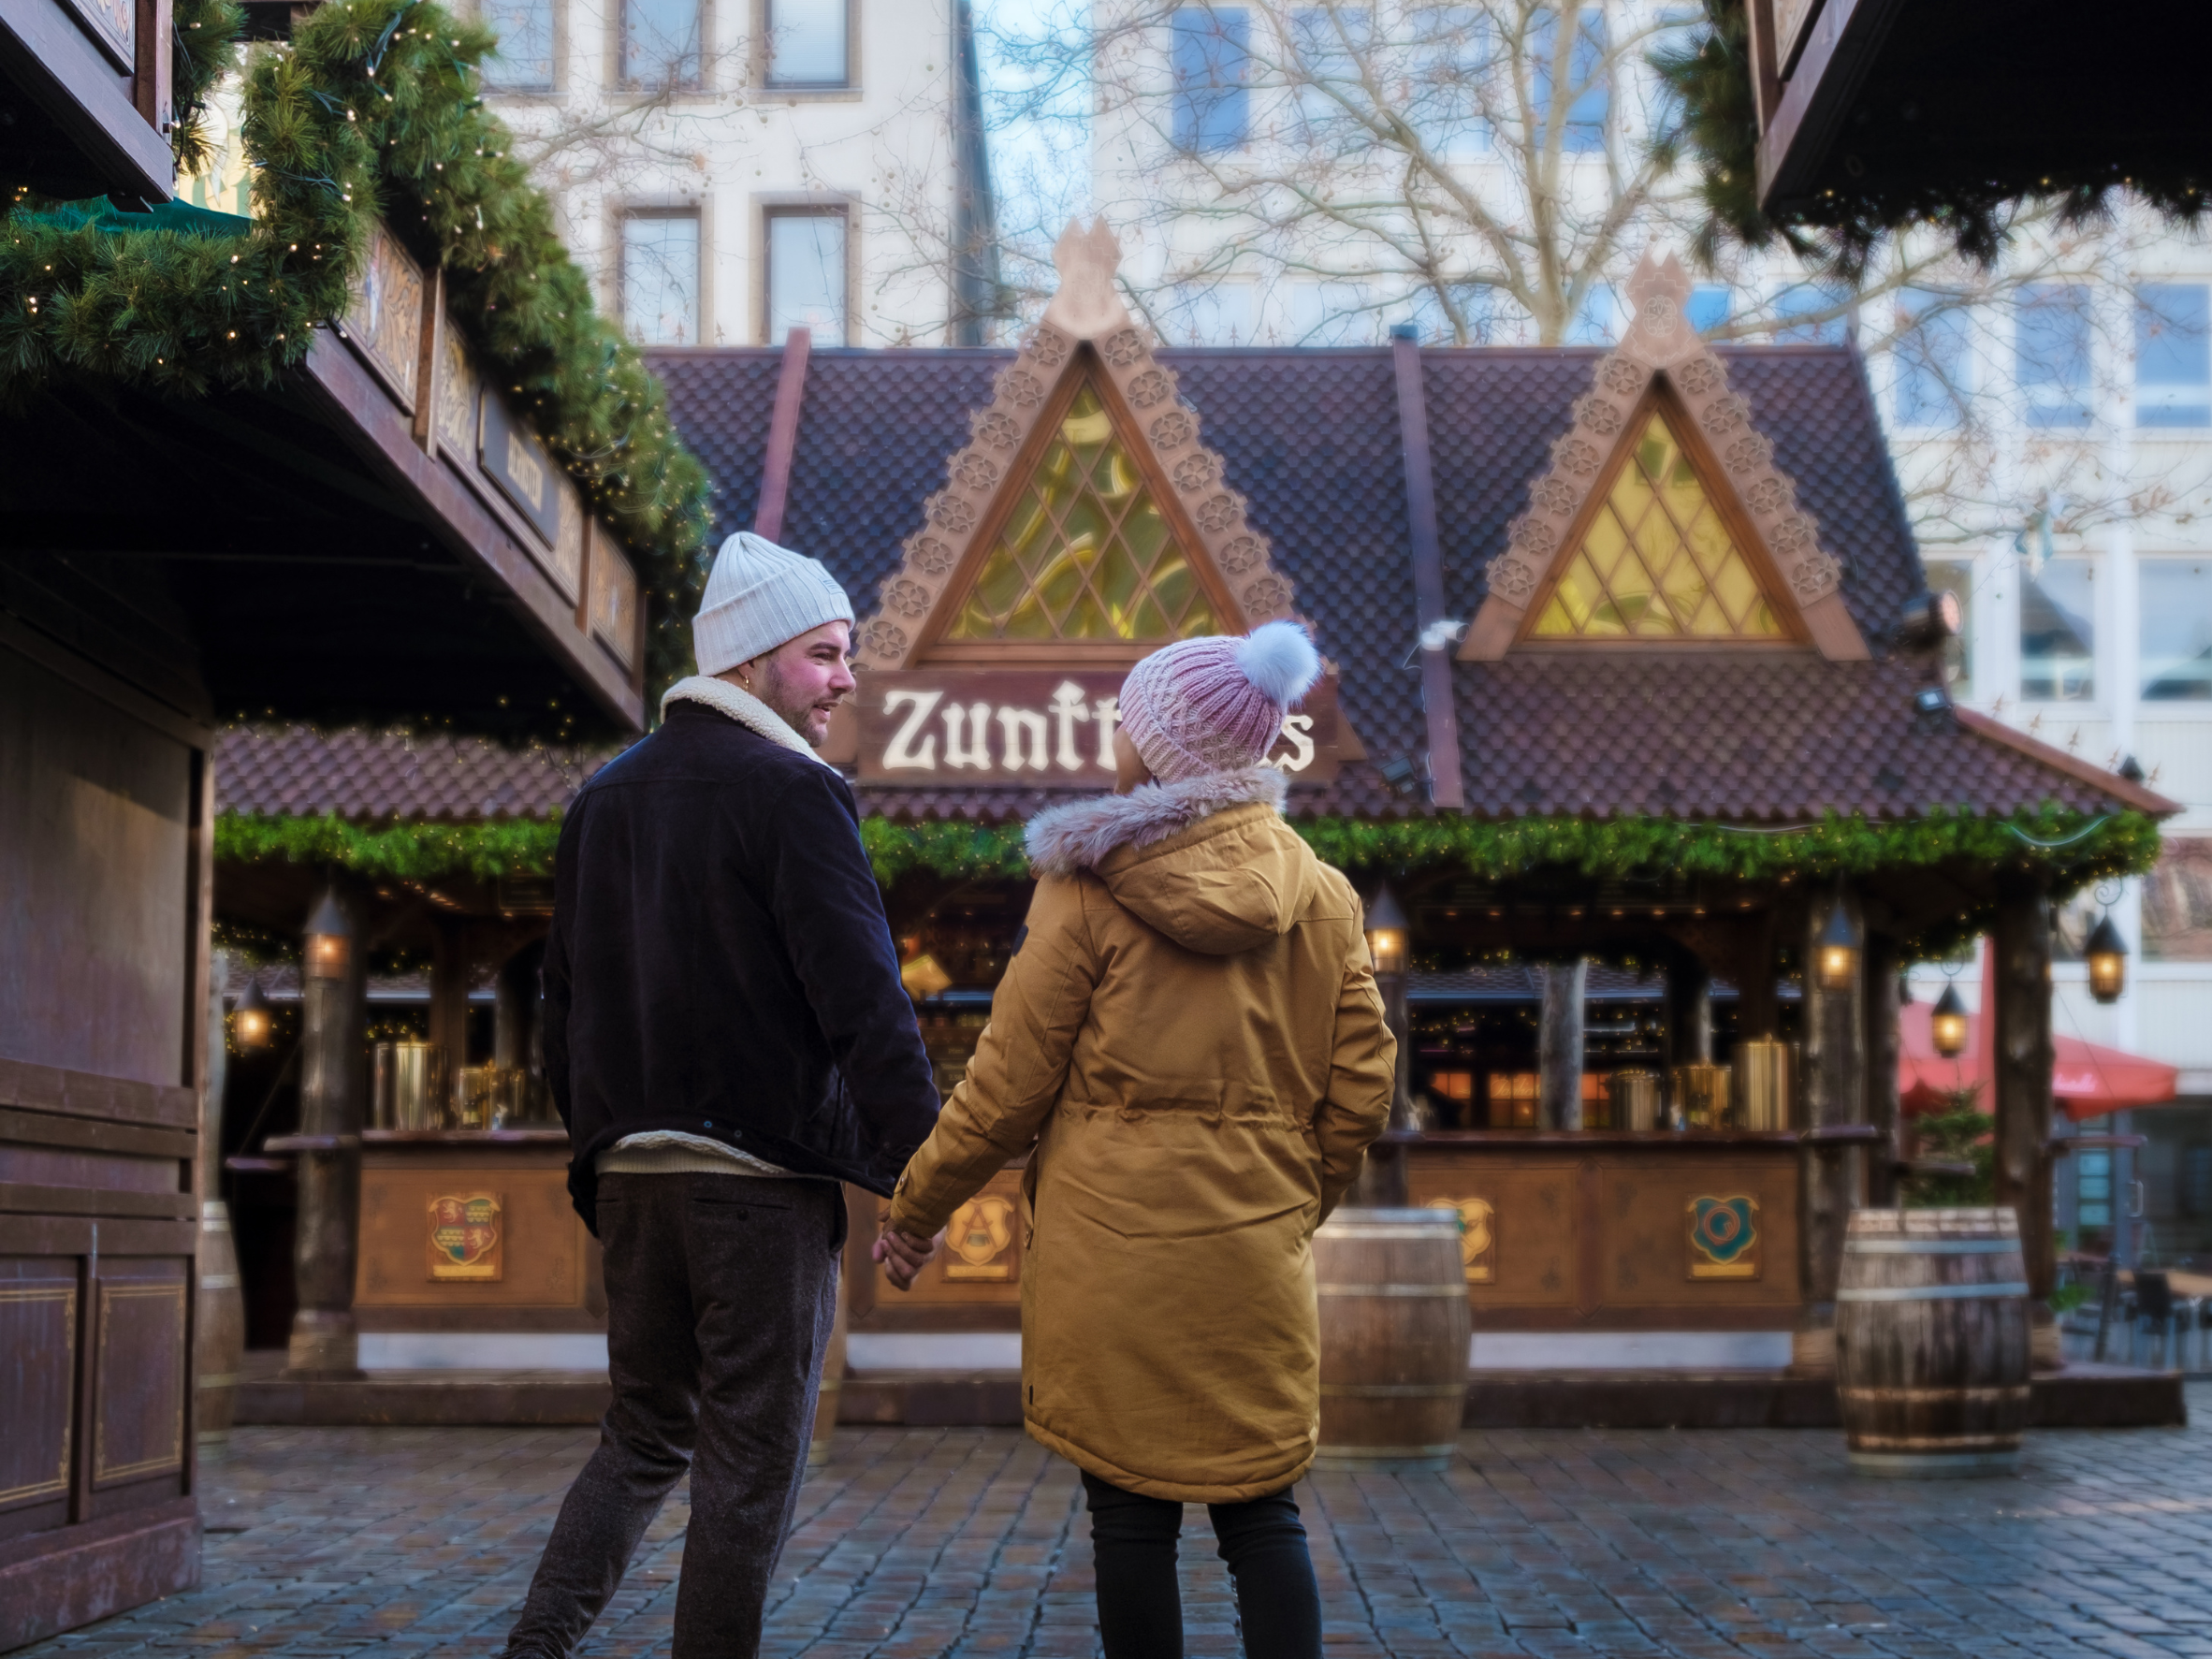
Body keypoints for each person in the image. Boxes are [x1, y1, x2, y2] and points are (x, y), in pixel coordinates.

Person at [876, 620, 1397, 1659]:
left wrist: (914, 1209)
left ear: (1159, 743)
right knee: (1265, 1514)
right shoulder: (1326, 898)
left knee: (1129, 1518)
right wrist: (1294, 1203)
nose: (1114, 723)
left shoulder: (1085, 888)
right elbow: (1363, 1089)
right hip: (1255, 1246)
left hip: (1111, 1253)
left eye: (1129, 710)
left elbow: (1007, 1084)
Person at [505, 531, 942, 1659]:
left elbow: (563, 1002)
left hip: (634, 1176)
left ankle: (534, 1649)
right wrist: (924, 1172)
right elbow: (864, 1001)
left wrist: (595, 1153)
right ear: (751, 662)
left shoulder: (603, 798)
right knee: (749, 1464)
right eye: (825, 655)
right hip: (758, 1182)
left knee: (643, 1437)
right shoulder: (795, 793)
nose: (847, 679)